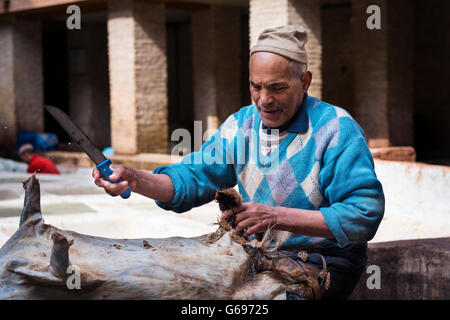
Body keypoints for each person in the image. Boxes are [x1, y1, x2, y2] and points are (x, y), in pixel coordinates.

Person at [92, 25, 385, 299]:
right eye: (255, 87)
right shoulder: (241, 125)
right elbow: (192, 178)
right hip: (259, 254)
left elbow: (363, 215)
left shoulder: (335, 129)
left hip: (325, 261)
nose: (264, 100)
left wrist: (276, 217)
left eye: (277, 87)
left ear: (305, 81)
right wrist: (135, 178)